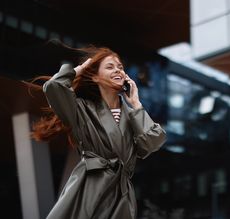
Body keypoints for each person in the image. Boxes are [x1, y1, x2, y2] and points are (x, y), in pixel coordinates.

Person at [32, 46, 167, 219]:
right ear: (95, 77)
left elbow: (152, 142)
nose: (118, 70)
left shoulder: (133, 114)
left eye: (120, 67)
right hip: (90, 186)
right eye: (110, 67)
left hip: (121, 194)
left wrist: (136, 104)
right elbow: (53, 87)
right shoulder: (81, 108)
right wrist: (80, 68)